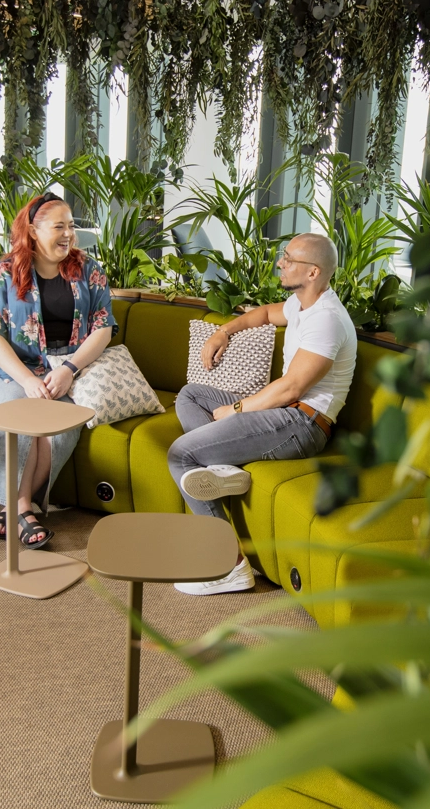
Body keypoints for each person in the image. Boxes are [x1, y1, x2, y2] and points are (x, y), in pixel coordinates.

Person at [166, 232, 357, 595]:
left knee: (181, 454)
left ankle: (229, 566)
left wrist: (235, 410)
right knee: (191, 395)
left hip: (302, 424)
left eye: (288, 258)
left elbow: (292, 388)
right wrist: (223, 331)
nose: (281, 263)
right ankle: (220, 468)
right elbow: (265, 314)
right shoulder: (300, 305)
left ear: (313, 272)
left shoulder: (327, 320)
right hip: (285, 413)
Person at [0, 193, 116, 549]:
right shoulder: (6, 271)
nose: (69, 235)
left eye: (71, 226)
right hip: (16, 370)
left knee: (57, 433)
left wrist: (70, 370)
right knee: (22, 424)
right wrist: (27, 380)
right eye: (59, 226)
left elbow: (103, 328)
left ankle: (13, 511)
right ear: (33, 230)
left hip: (70, 367)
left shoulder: (88, 270)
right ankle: (23, 511)